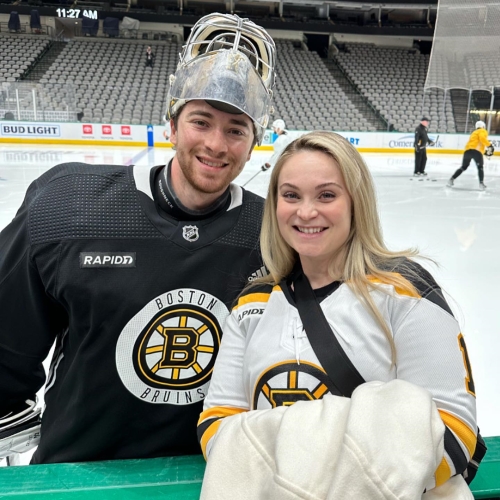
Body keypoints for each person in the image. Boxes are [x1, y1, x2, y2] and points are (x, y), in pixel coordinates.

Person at [0, 13, 276, 464]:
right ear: (171, 124)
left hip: (211, 478)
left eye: (236, 130)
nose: (216, 144)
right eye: (201, 121)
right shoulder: (70, 205)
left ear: (253, 143)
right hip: (77, 475)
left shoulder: (275, 234)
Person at [198, 131, 478, 495]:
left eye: (326, 195)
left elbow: (453, 432)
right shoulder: (252, 303)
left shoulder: (405, 293)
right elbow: (218, 423)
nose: (306, 211)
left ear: (355, 203)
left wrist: (286, 465)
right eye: (291, 195)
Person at [447, 120, 494, 191]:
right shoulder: (482, 131)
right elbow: (482, 139)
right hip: (476, 152)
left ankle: (451, 179)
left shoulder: (474, 132)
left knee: (463, 167)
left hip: (467, 151)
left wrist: (484, 152)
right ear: (483, 126)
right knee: (480, 167)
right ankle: (481, 183)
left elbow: (475, 144)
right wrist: (489, 145)